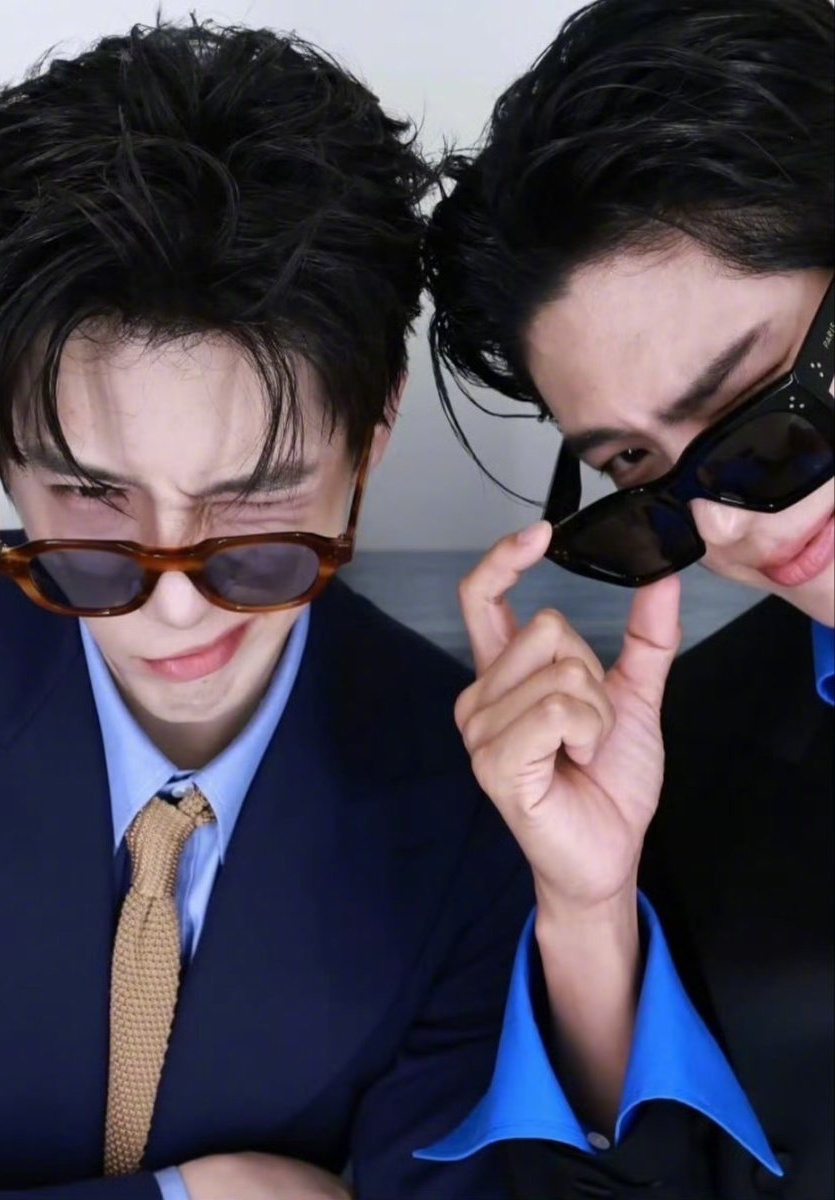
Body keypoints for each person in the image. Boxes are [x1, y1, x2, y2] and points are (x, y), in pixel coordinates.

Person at [0, 18, 578, 1200]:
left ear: (373, 432)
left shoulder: (486, 804)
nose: (176, 607)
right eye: (92, 501)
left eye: (255, 509)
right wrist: (215, 1193)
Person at [421, 1, 834, 1197]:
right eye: (641, 475)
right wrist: (589, 911)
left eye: (758, 411)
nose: (726, 528)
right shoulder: (677, 763)